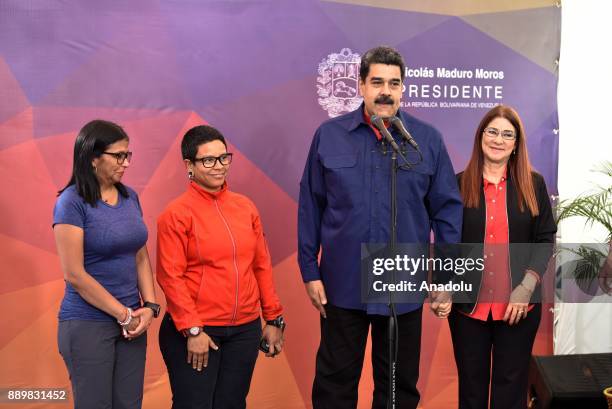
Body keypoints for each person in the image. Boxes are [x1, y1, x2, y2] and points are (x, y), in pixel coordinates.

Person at [298, 45, 463, 409]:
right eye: (376, 82)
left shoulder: (428, 141)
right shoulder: (329, 135)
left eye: (393, 83)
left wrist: (447, 279)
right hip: (343, 282)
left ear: (403, 89)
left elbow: (448, 212)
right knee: (334, 383)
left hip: (402, 284)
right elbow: (311, 204)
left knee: (398, 388)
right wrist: (310, 271)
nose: (385, 91)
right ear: (361, 86)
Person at [156, 125, 285, 409]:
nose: (219, 166)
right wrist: (192, 330)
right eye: (208, 160)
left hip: (245, 331)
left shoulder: (246, 207)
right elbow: (170, 277)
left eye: (224, 157)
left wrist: (274, 319)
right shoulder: (176, 214)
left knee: (233, 404)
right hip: (198, 332)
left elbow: (261, 265)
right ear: (189, 165)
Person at [449, 105, 557, 409]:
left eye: (507, 134)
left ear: (516, 144)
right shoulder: (456, 185)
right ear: (481, 136)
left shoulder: (533, 185)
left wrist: (526, 288)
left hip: (519, 306)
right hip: (469, 308)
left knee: (510, 391)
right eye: (492, 131)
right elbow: (448, 243)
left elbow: (544, 239)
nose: (498, 139)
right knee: (471, 389)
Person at [53, 119, 159, 409]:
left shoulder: (130, 197)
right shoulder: (71, 202)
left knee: (129, 404)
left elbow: (139, 253)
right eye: (119, 156)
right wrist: (123, 314)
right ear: (92, 158)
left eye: (128, 155)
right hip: (88, 323)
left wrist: (149, 306)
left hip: (132, 324)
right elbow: (74, 274)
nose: (126, 163)